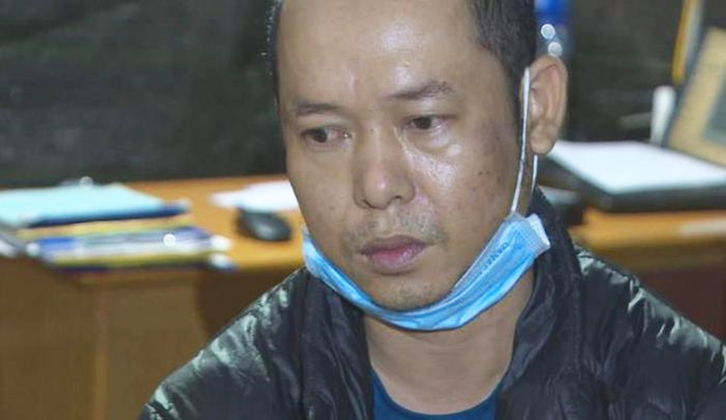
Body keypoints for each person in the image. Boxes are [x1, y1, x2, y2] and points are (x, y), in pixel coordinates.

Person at [140, 0, 726, 418]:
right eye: (323, 134)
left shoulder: (693, 393)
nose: (377, 186)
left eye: (423, 122)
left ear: (539, 108)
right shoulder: (208, 406)